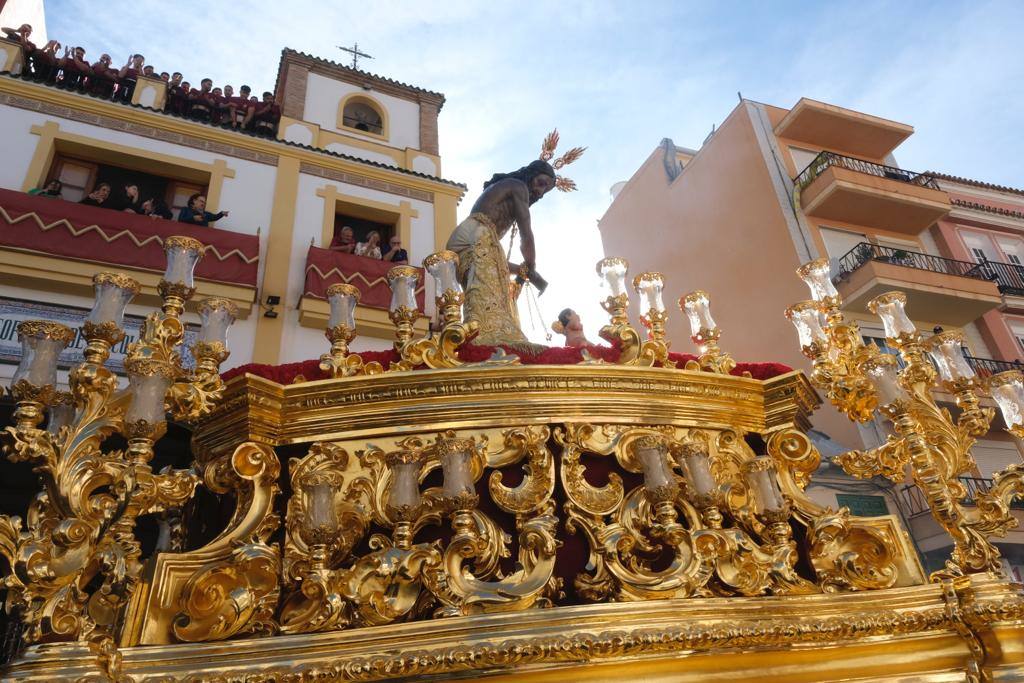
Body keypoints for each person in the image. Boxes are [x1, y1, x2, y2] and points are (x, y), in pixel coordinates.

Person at [445, 159, 556, 349]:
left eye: (546, 190)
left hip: (465, 241)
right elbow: (526, 232)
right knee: (488, 291)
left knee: (483, 289)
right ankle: (488, 339)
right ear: (531, 174)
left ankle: (476, 332)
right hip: (475, 232)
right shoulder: (518, 186)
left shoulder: (491, 232)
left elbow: (497, 262)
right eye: (541, 183)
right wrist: (531, 265)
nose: (541, 192)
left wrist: (524, 271)